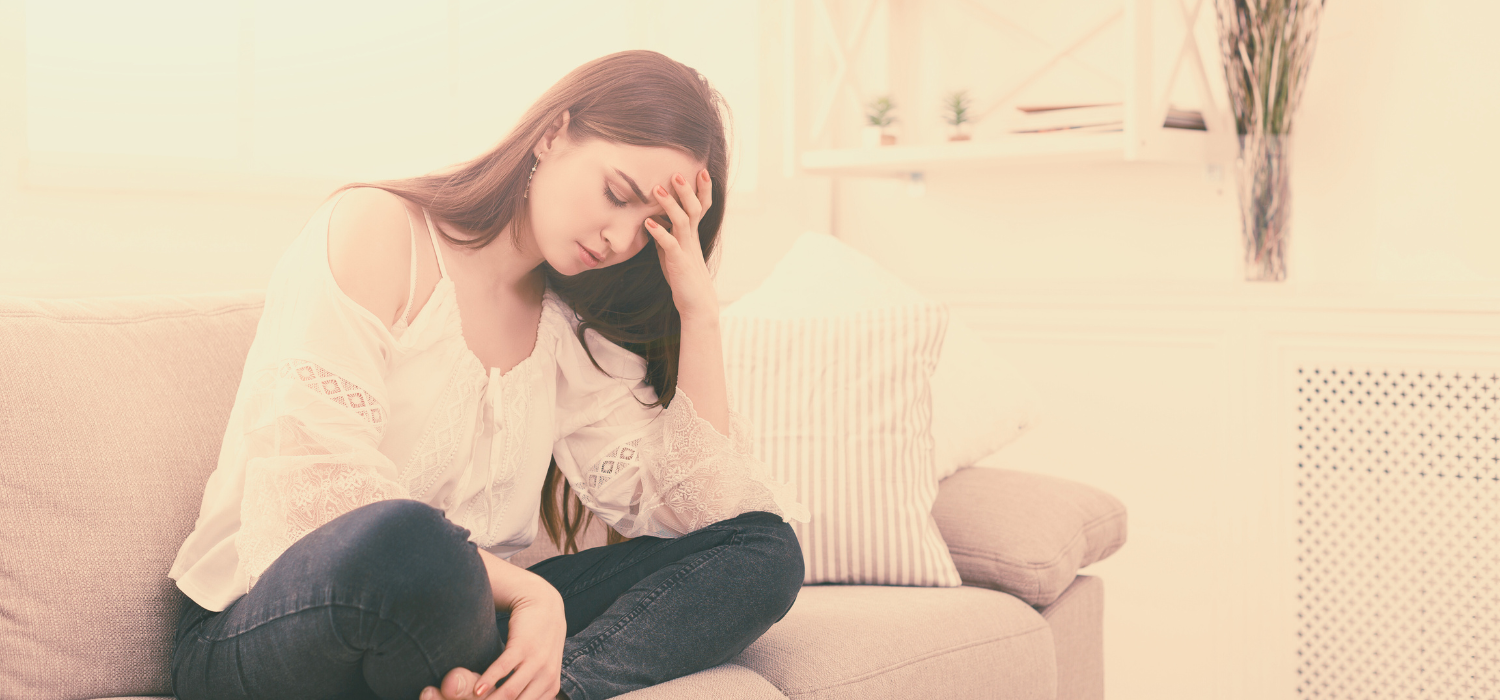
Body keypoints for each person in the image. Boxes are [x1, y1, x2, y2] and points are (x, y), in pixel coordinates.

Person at [167, 49, 810, 700]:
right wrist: (532, 595)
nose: (619, 238)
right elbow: (318, 491)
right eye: (617, 193)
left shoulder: (562, 330)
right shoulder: (378, 229)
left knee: (764, 548)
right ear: (554, 133)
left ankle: (545, 691)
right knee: (412, 537)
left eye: (646, 227)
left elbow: (696, 519)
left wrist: (697, 312)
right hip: (266, 621)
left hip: (460, 619)